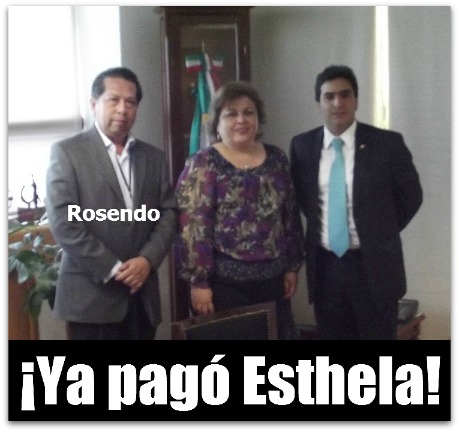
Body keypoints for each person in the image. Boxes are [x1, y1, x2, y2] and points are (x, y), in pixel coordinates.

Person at [290, 65, 423, 340]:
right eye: (329, 97)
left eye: (345, 94)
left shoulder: (387, 144)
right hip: (326, 269)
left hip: (374, 267)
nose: (337, 103)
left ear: (356, 100)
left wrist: (380, 230)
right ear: (318, 104)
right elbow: (303, 200)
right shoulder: (302, 146)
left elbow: (411, 196)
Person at [46, 67, 178, 340]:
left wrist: (147, 260)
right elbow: (63, 222)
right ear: (94, 104)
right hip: (91, 299)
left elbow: (168, 213)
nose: (122, 109)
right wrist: (114, 268)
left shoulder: (153, 157)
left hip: (141, 297)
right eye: (113, 100)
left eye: (130, 102)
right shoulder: (67, 153)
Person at [175, 81, 304, 339]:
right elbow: (193, 226)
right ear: (217, 122)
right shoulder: (204, 162)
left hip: (273, 281)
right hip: (224, 287)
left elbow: (289, 215)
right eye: (231, 114)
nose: (241, 120)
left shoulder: (277, 159)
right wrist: (199, 283)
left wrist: (292, 266)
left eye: (248, 112)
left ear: (258, 118)